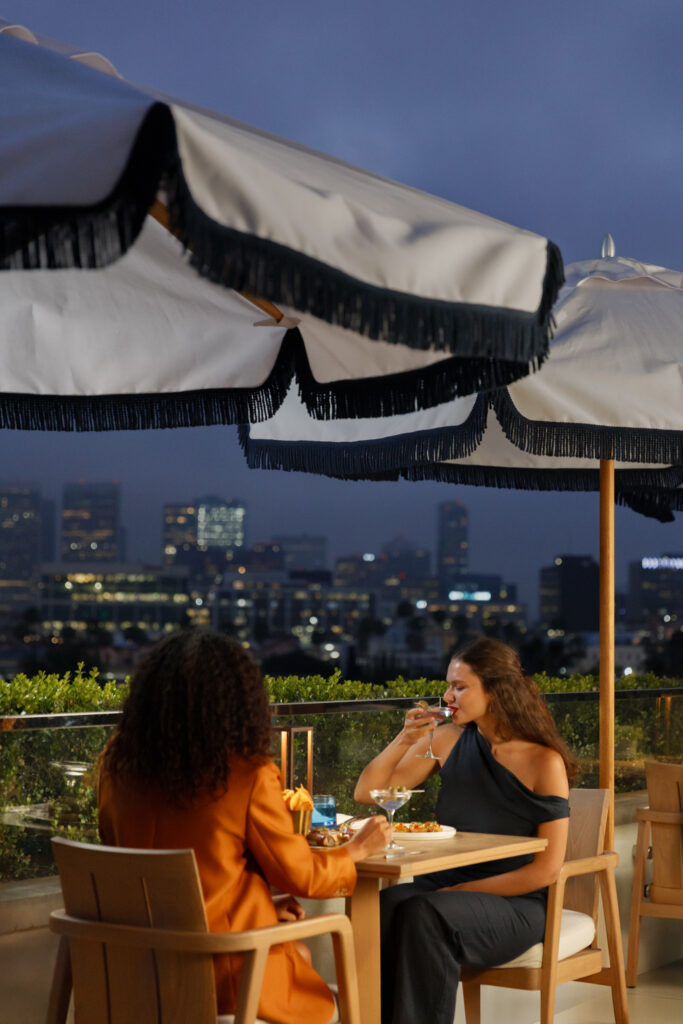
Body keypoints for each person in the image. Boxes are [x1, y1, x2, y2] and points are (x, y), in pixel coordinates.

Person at [98, 629, 391, 1024]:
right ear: (238, 703)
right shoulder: (246, 776)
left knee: (298, 957)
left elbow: (154, 870)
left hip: (135, 974)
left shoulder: (116, 769)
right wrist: (355, 850)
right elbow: (301, 875)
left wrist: (263, 909)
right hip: (223, 979)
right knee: (316, 980)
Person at [354, 636, 576, 1024]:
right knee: (384, 906)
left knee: (424, 912)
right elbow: (366, 794)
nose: (447, 696)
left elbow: (546, 871)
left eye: (459, 686)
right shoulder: (446, 740)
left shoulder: (544, 761)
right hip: (443, 889)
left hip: (517, 904)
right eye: (448, 685)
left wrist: (459, 890)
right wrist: (404, 738)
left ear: (495, 689)